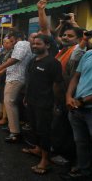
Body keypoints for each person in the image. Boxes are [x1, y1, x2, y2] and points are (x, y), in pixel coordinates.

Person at [60, 27, 92, 180]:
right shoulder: (89, 54)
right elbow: (75, 77)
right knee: (81, 143)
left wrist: (82, 101)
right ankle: (84, 173)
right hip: (76, 109)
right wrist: (69, 96)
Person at [22, 35, 63, 175]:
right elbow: (31, 81)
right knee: (34, 127)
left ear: (48, 46)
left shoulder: (53, 63)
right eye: (33, 44)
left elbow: (57, 85)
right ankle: (38, 149)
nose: (34, 46)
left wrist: (56, 104)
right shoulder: (34, 60)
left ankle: (45, 161)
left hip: (45, 103)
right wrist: (26, 97)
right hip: (32, 101)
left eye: (38, 44)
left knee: (44, 130)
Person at [0, 31, 32, 143]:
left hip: (16, 78)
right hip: (14, 77)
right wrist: (2, 71)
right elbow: (15, 62)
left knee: (9, 102)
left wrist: (0, 67)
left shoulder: (22, 44)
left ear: (16, 38)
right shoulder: (22, 45)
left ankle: (15, 132)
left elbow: (15, 59)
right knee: (11, 102)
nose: (10, 43)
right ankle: (12, 126)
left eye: (11, 40)